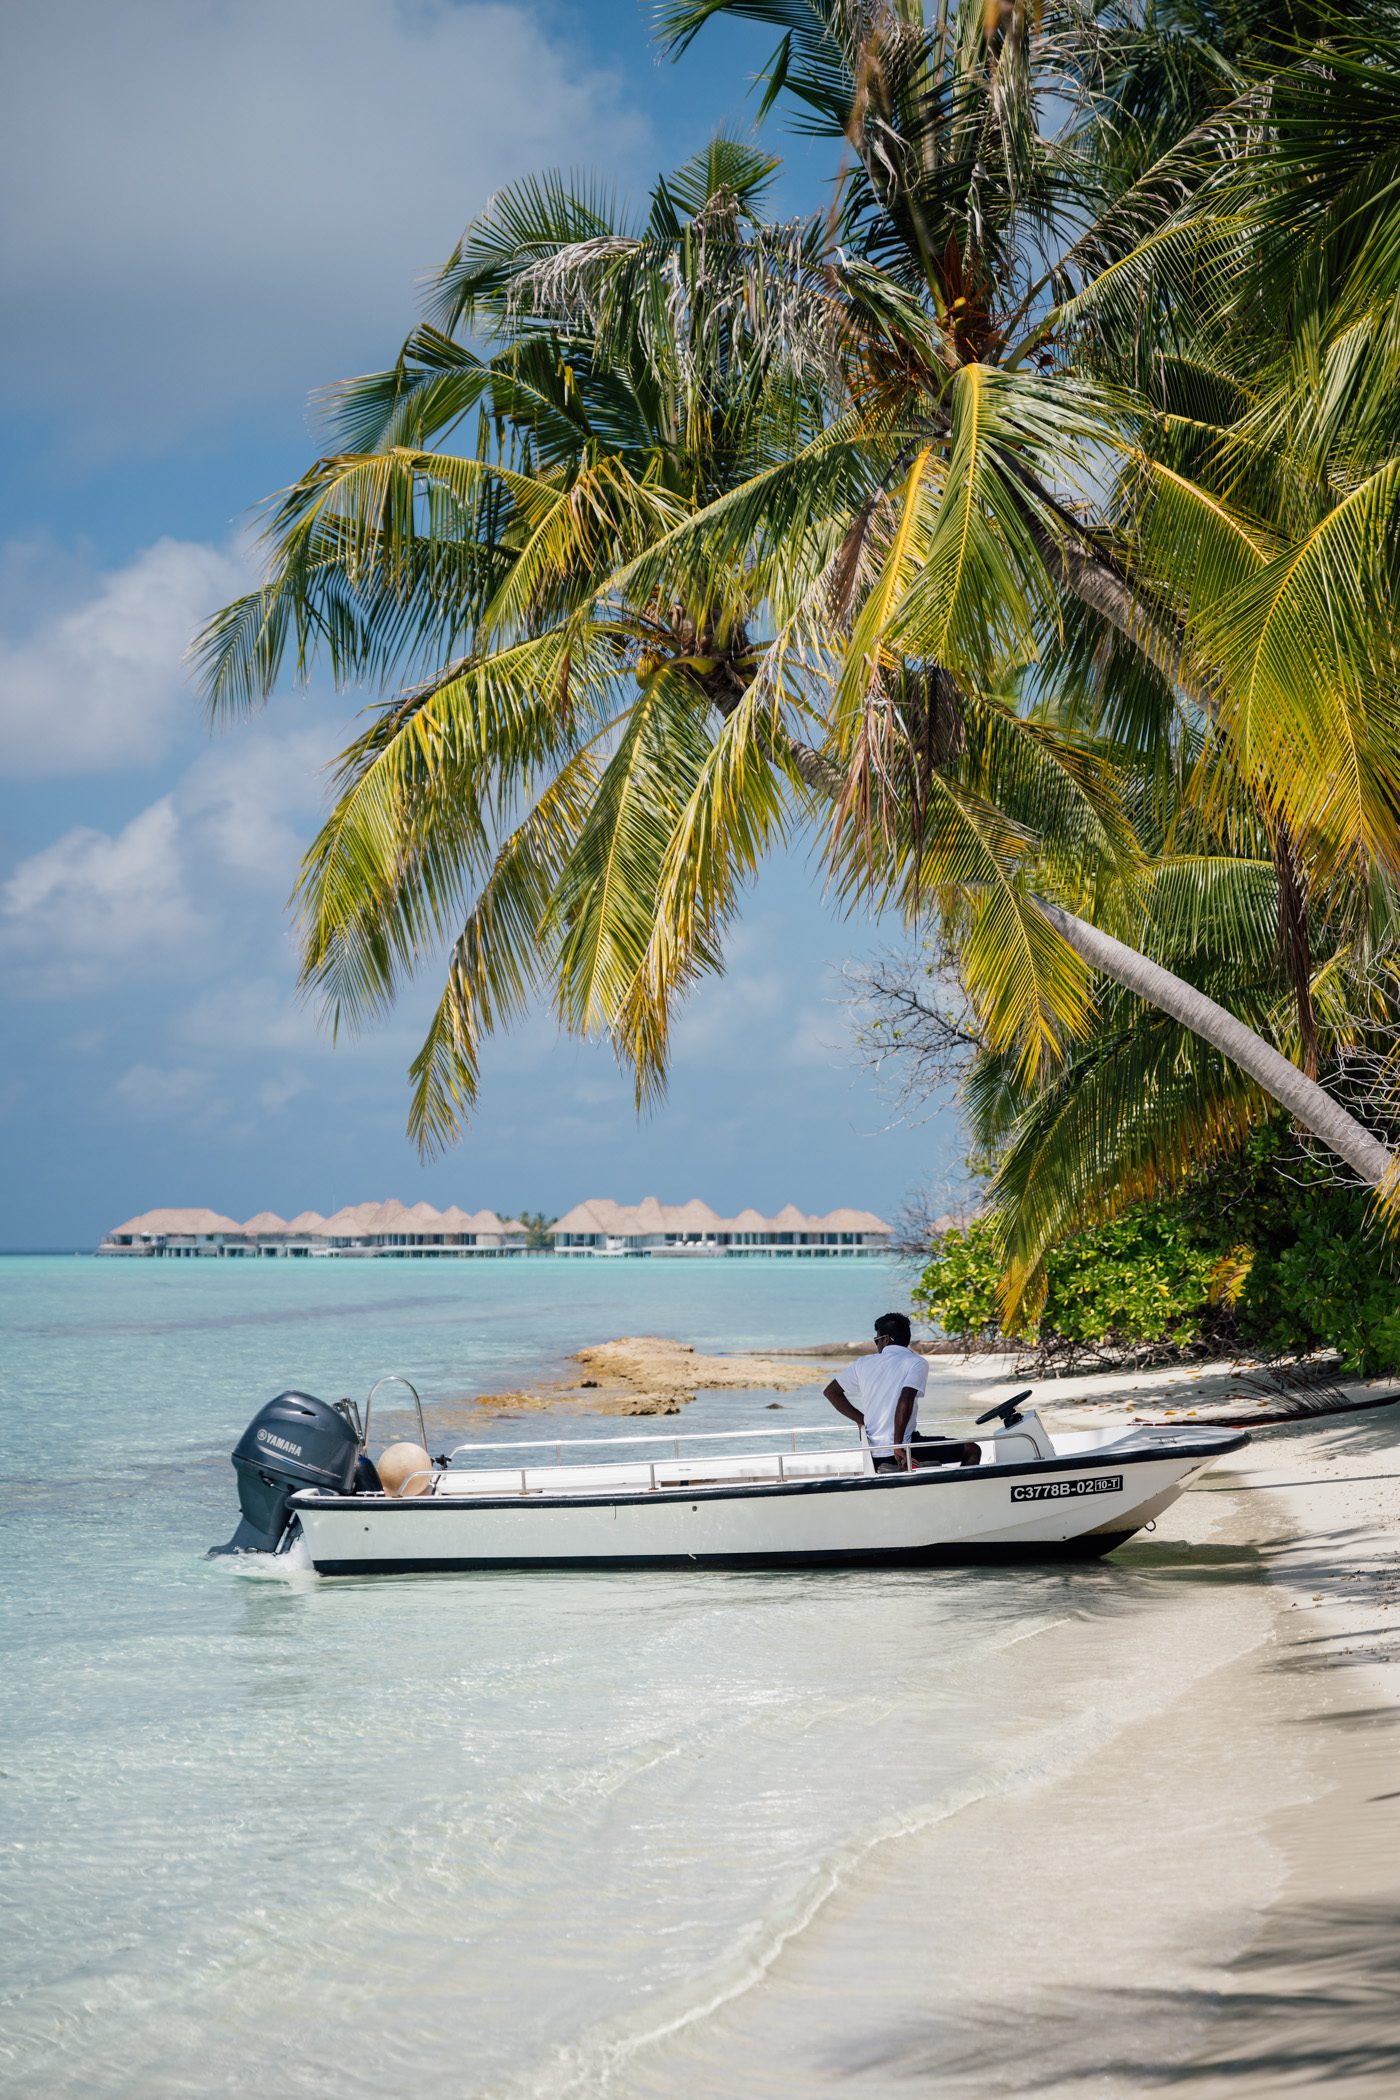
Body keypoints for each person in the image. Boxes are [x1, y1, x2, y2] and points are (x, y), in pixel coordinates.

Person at [824, 1314, 980, 1471]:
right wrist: (898, 1445)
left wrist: (862, 1420)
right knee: (972, 1450)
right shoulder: (915, 1362)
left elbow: (831, 1392)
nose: (877, 1344)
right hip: (902, 1449)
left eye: (877, 1340)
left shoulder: (863, 1363)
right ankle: (962, 1487)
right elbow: (906, 1399)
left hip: (874, 1453)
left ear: (886, 1339)